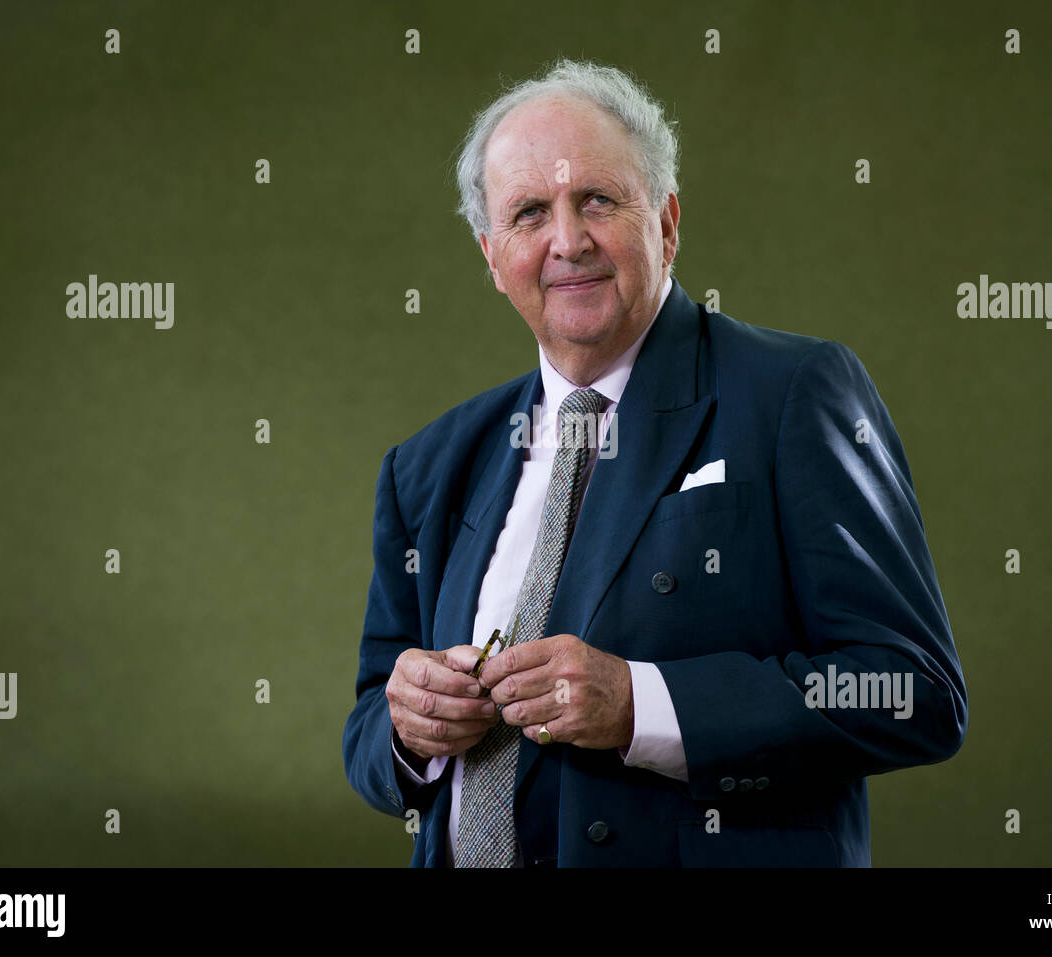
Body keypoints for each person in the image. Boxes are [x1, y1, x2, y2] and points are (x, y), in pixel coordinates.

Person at [341, 57, 967, 867]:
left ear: (666, 222)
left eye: (597, 200)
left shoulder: (792, 393)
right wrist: (405, 729)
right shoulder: (427, 464)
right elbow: (367, 729)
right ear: (493, 257)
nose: (568, 240)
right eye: (531, 213)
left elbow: (912, 690)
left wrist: (643, 704)